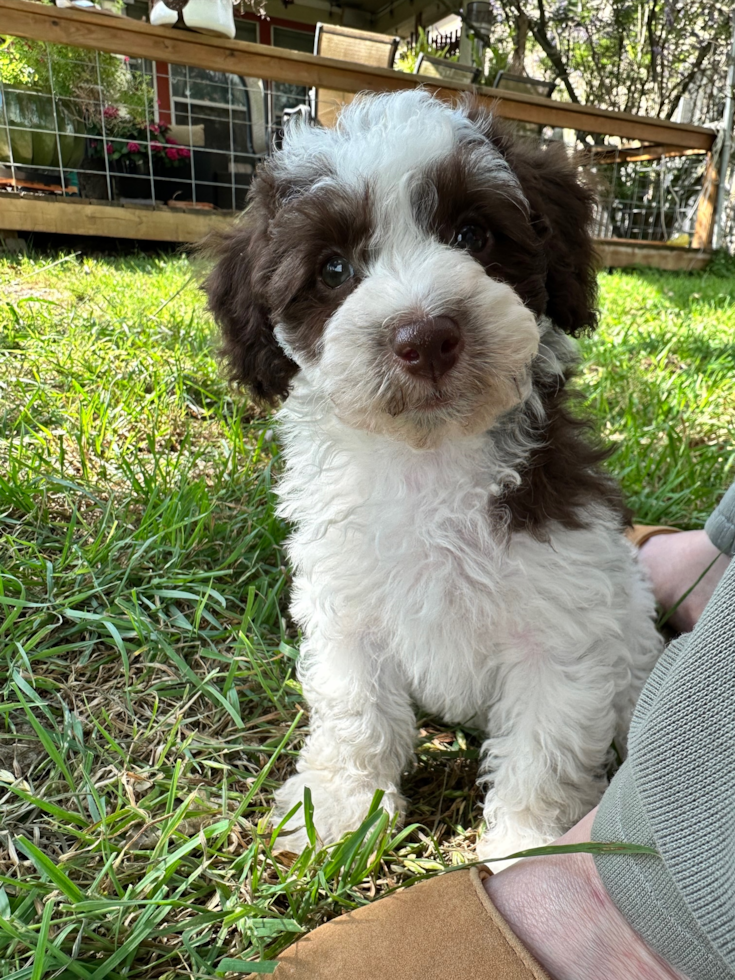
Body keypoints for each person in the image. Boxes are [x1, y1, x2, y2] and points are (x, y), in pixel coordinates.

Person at [274, 482, 735, 980]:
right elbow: (347, 629)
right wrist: (350, 768)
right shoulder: (337, 497)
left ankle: (634, 900)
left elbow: (563, 660)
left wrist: (537, 811)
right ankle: (719, 555)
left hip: (570, 623)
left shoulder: (549, 511)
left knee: (600, 676)